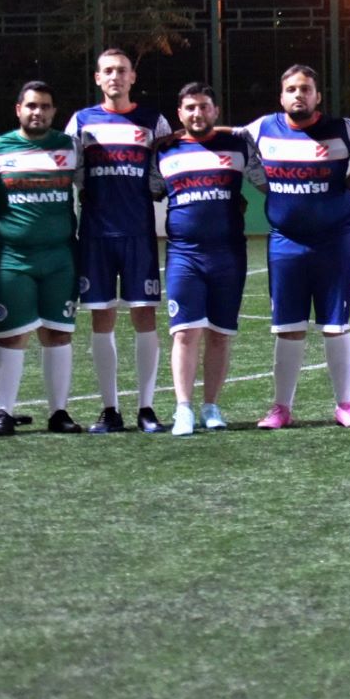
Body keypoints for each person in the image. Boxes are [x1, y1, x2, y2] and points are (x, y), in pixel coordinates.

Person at [238, 64, 350, 429]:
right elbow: (232, 144)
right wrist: (266, 185)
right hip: (286, 243)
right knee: (287, 327)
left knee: (335, 325)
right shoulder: (262, 129)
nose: (299, 95)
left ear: (318, 96)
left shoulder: (344, 130)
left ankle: (345, 404)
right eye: (292, 89)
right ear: (281, 96)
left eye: (306, 89)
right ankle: (281, 408)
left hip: (334, 242)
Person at [0, 81, 82, 435]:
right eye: (31, 106)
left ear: (54, 111)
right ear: (18, 109)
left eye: (45, 106)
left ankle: (59, 413)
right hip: (11, 259)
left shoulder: (70, 147)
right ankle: (3, 412)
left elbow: (92, 189)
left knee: (58, 334)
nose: (38, 112)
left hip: (60, 257)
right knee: (11, 335)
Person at [66, 48, 171, 433]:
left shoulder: (153, 121)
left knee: (145, 316)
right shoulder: (81, 121)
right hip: (95, 234)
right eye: (108, 71)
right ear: (98, 78)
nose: (115, 76)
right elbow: (71, 168)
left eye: (121, 70)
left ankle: (146, 408)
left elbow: (165, 168)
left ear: (132, 78)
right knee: (102, 317)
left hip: (138, 233)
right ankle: (110, 409)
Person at [149, 82, 255, 435]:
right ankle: (183, 409)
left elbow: (266, 176)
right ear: (179, 114)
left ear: (216, 110)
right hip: (184, 254)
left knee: (220, 335)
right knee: (185, 333)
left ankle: (211, 406)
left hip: (229, 254)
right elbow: (150, 190)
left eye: (204, 106)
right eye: (190, 108)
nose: (198, 113)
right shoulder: (165, 151)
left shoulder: (238, 146)